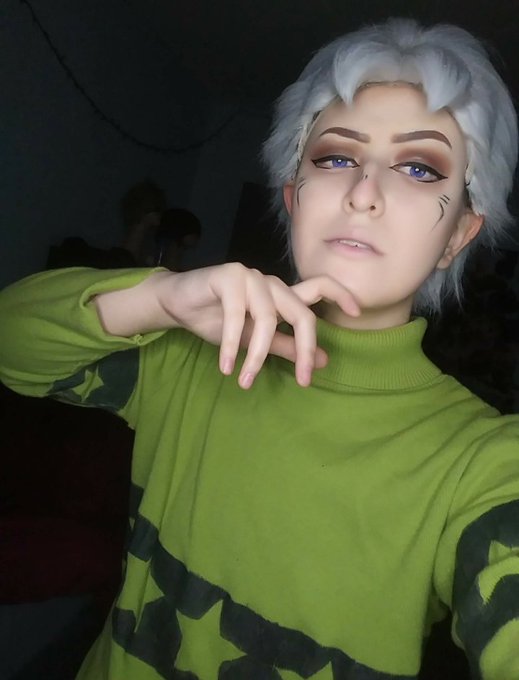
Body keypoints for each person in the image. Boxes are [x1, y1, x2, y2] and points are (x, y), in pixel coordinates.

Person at [1, 17, 518, 679]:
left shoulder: (481, 462)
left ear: (458, 235)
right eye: (336, 157)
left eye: (419, 168)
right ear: (294, 198)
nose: (363, 193)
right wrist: (158, 298)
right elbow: (12, 344)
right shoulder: (185, 354)